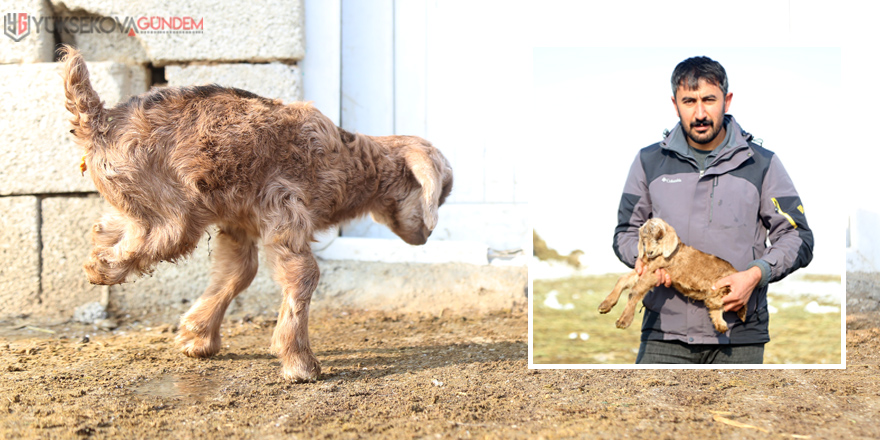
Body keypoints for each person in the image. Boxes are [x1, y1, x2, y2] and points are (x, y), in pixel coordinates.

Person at [612, 56, 813, 364]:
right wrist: (643, 258)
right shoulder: (648, 161)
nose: (700, 113)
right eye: (689, 101)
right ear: (675, 104)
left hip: (739, 336)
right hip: (664, 335)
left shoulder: (762, 164)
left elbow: (798, 237)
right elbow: (626, 231)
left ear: (727, 100)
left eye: (709, 99)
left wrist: (757, 274)